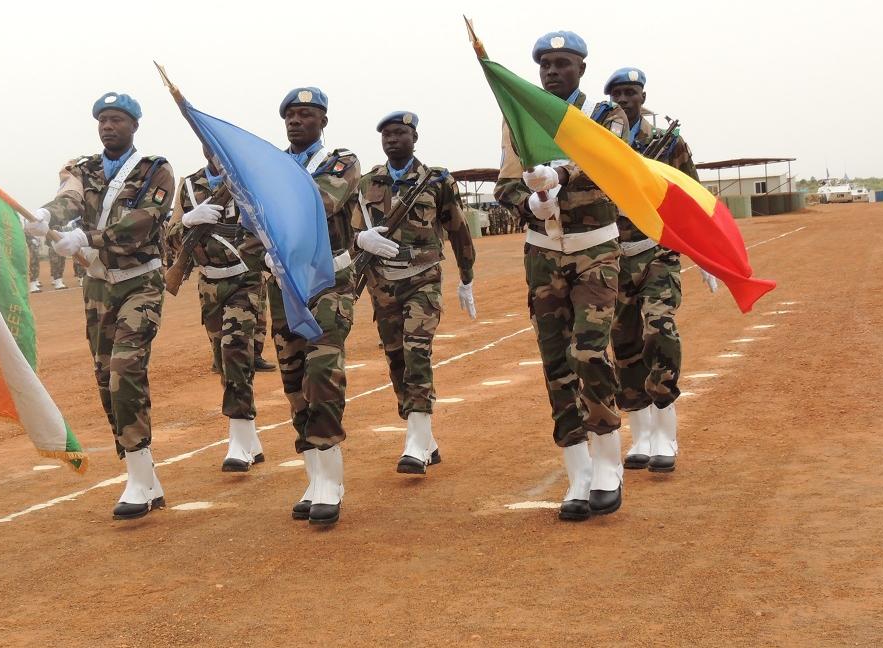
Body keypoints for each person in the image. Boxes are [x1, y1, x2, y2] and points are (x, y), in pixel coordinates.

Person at [494, 31, 630, 521]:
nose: (553, 71)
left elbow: (609, 159)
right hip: (544, 253)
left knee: (589, 351)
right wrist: (527, 203)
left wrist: (561, 176)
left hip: (595, 249)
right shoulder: (520, 119)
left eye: (563, 63)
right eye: (546, 64)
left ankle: (608, 461)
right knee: (556, 363)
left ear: (581, 69)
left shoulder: (604, 115)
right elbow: (505, 183)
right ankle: (578, 471)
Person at [25, 91, 175, 521]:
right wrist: (47, 215)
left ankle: (138, 481)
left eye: (117, 120)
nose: (108, 126)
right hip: (97, 287)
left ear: (134, 126)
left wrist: (87, 237)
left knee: (126, 370)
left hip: (139, 282)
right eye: (103, 120)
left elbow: (143, 221)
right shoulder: (83, 168)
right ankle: (144, 475)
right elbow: (70, 197)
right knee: (106, 378)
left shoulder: (155, 170)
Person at [353, 111, 477, 474]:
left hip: (423, 278)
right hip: (382, 283)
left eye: (400, 133)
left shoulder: (436, 181)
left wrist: (467, 276)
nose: (392, 139)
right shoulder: (367, 182)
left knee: (416, 349)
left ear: (414, 138)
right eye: (387, 135)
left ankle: (415, 443)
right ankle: (425, 437)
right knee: (396, 358)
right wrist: (361, 239)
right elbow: (352, 230)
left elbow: (457, 230)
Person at [605, 67, 713, 474]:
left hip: (658, 252)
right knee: (624, 344)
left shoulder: (668, 142)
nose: (623, 100)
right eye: (617, 94)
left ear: (643, 97)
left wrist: (704, 253)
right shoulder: (602, 141)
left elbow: (693, 194)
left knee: (659, 329)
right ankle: (642, 433)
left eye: (630, 92)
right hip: (613, 257)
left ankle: (666, 432)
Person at [270, 87, 359, 525]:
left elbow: (322, 203)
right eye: (290, 114)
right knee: (294, 383)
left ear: (323, 121)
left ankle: (331, 482)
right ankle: (314, 476)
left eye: (306, 114)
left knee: (322, 373)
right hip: (283, 285)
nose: (296, 120)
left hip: (328, 281)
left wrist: (263, 202)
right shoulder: (272, 167)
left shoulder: (340, 162)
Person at [166, 148, 269, 472]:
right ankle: (250, 436)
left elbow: (267, 227)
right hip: (209, 285)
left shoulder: (248, 182)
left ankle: (238, 440)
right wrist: (187, 220)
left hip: (245, 280)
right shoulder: (188, 186)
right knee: (224, 362)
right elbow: (169, 237)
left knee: (235, 350)